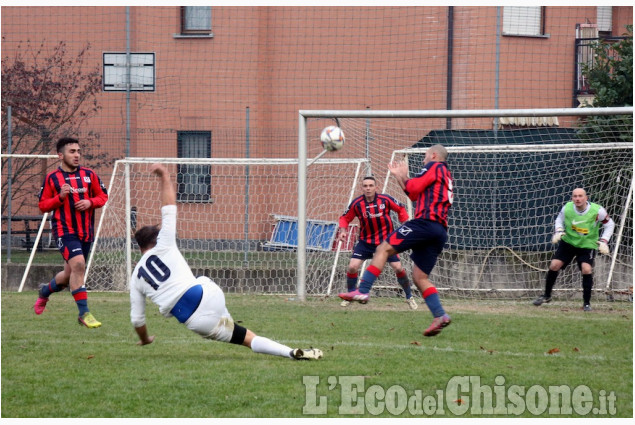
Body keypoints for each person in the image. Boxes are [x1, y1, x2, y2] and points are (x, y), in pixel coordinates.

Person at [129, 163, 323, 360]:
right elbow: (168, 208)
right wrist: (165, 176)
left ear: (139, 247)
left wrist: (145, 339)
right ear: (158, 238)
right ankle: (289, 352)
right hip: (210, 294)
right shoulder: (165, 243)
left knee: (240, 336)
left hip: (195, 320)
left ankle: (280, 348)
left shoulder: (136, 277)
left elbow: (137, 320)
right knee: (243, 333)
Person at [339, 144, 453, 337]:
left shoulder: (435, 166)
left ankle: (363, 290)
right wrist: (400, 177)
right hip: (440, 230)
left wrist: (404, 175)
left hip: (425, 222)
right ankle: (440, 315)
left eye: (425, 156)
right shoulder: (445, 173)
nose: (424, 161)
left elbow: (413, 186)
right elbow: (414, 194)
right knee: (420, 277)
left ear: (434, 155)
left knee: (383, 248)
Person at [34, 137, 108, 328]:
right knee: (79, 264)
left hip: (86, 233)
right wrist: (60, 197)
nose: (77, 155)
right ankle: (84, 313)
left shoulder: (89, 175)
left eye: (78, 151)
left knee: (68, 276)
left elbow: (103, 196)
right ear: (61, 155)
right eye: (72, 151)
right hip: (64, 231)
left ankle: (44, 292)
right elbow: (42, 206)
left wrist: (90, 202)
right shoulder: (52, 178)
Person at [337, 175, 417, 309]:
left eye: (371, 186)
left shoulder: (385, 199)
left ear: (376, 187)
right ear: (362, 188)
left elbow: (401, 208)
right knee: (352, 267)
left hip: (386, 243)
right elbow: (344, 218)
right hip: (365, 243)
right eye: (365, 186)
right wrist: (343, 230)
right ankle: (351, 295)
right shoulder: (357, 204)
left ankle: (409, 296)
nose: (368, 188)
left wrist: (405, 225)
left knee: (398, 268)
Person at [533, 188, 615, 311]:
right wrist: (559, 231)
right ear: (572, 198)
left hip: (587, 244)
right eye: (575, 196)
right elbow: (559, 219)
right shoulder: (567, 208)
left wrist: (604, 241)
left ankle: (586, 303)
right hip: (569, 242)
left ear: (586, 198)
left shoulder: (597, 210)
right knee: (554, 265)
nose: (577, 198)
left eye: (580, 196)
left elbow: (610, 224)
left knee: (586, 269)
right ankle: (546, 295)